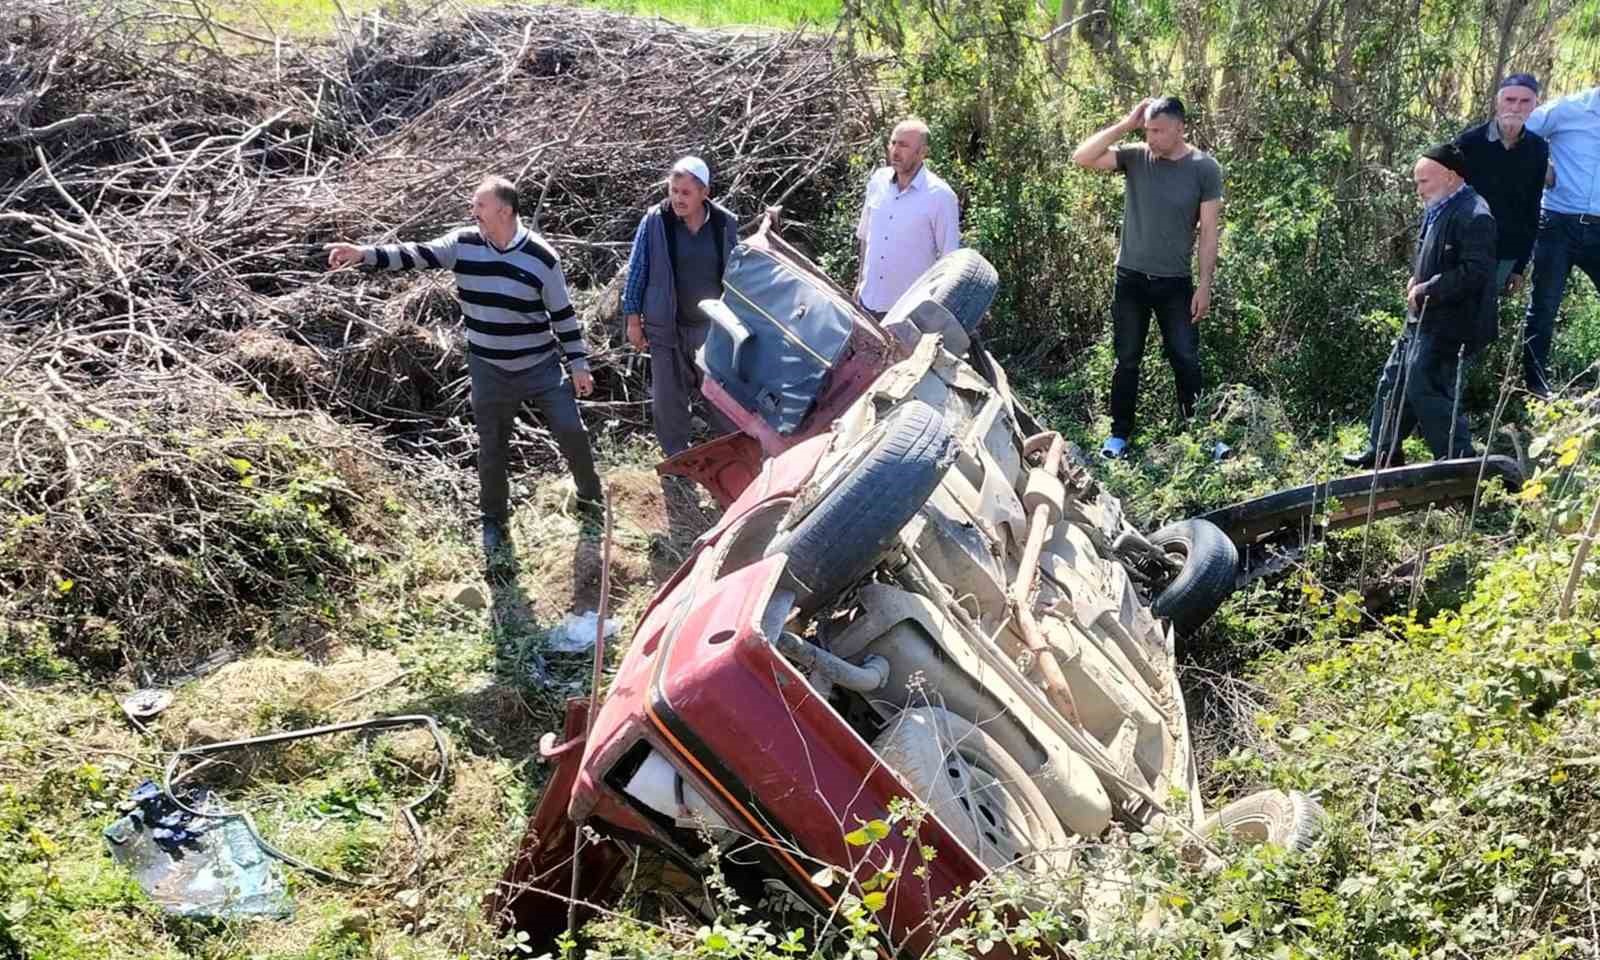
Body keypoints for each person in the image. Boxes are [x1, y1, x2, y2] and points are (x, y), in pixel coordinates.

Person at [326, 175, 603, 553]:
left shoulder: (541, 257)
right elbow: (416, 254)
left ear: (504, 211)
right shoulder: (463, 244)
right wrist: (364, 253)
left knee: (572, 431)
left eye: (480, 206)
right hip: (489, 367)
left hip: (539, 365)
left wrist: (578, 364)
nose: (473, 213)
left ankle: (591, 500)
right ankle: (494, 523)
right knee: (491, 448)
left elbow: (563, 315)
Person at [1072, 96, 1223, 460]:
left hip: (1175, 282)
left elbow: (1208, 232)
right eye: (1148, 130)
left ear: (1180, 129)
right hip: (1131, 280)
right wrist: (1126, 125)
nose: (1151, 137)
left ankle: (1199, 432)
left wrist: (1204, 285)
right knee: (1126, 359)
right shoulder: (1137, 157)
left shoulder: (1205, 168)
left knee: (1185, 357)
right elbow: (1083, 157)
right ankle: (1119, 435)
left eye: (1159, 131)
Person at [1344, 144, 1497, 469]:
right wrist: (1416, 282)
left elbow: (1475, 274)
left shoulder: (1475, 214)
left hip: (1452, 324)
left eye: (1423, 182)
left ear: (1451, 177)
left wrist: (1427, 288)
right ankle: (1383, 453)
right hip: (1422, 317)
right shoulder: (1439, 206)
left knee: (1426, 386)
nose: (1418, 190)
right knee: (1393, 381)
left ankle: (1459, 462)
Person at [621, 156, 740, 457]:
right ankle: (677, 458)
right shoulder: (655, 221)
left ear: (705, 193)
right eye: (673, 190)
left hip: (711, 328)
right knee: (668, 399)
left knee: (721, 396)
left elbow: (738, 274)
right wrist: (633, 320)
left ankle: (735, 454)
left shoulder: (724, 223)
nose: (677, 198)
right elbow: (637, 271)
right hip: (666, 326)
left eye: (685, 192)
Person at [1520, 85, 1600, 398]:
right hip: (1558, 223)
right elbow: (1518, 133)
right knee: (1544, 306)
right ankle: (1535, 387)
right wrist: (1543, 167)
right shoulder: (1568, 110)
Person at [854, 118, 961, 320]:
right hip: (867, 303)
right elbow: (866, 237)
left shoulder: (941, 196)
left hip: (907, 315)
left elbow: (950, 262)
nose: (895, 151)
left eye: (903, 145)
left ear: (922, 153)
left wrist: (932, 314)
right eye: (893, 143)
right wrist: (859, 282)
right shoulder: (878, 181)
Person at [1454, 74, 1548, 295]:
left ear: (1535, 106)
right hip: (1463, 247)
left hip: (1506, 250)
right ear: (1497, 102)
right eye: (1510, 99)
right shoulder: (1469, 143)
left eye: (1525, 101)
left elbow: (1532, 208)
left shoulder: (1538, 149)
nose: (1516, 107)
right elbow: (1448, 198)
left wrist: (1519, 266)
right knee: (1451, 311)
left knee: (1485, 313)